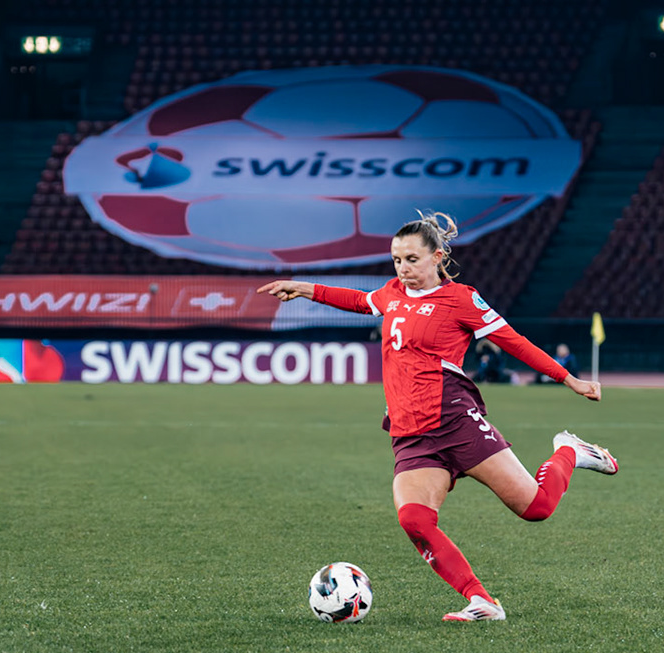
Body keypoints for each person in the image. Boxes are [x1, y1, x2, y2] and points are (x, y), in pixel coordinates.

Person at [259, 211, 616, 623]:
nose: (403, 269)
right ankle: (482, 600)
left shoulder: (461, 299)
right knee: (414, 519)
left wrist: (568, 378)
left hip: (455, 421)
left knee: (535, 508)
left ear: (438, 257)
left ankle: (569, 451)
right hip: (410, 433)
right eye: (396, 260)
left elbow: (512, 342)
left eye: (412, 259)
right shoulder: (392, 293)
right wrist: (303, 289)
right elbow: (359, 301)